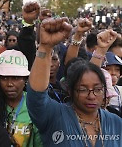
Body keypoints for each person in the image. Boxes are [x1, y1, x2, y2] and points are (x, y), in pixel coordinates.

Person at [26, 17, 122, 146]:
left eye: (98, 89)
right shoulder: (54, 116)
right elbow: (37, 97)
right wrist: (45, 47)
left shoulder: (116, 122)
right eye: (83, 89)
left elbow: (90, 74)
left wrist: (101, 50)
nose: (92, 96)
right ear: (70, 90)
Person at [0, 49, 42, 147]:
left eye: (16, 78)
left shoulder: (34, 106)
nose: (9, 84)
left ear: (25, 80)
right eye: (4, 78)